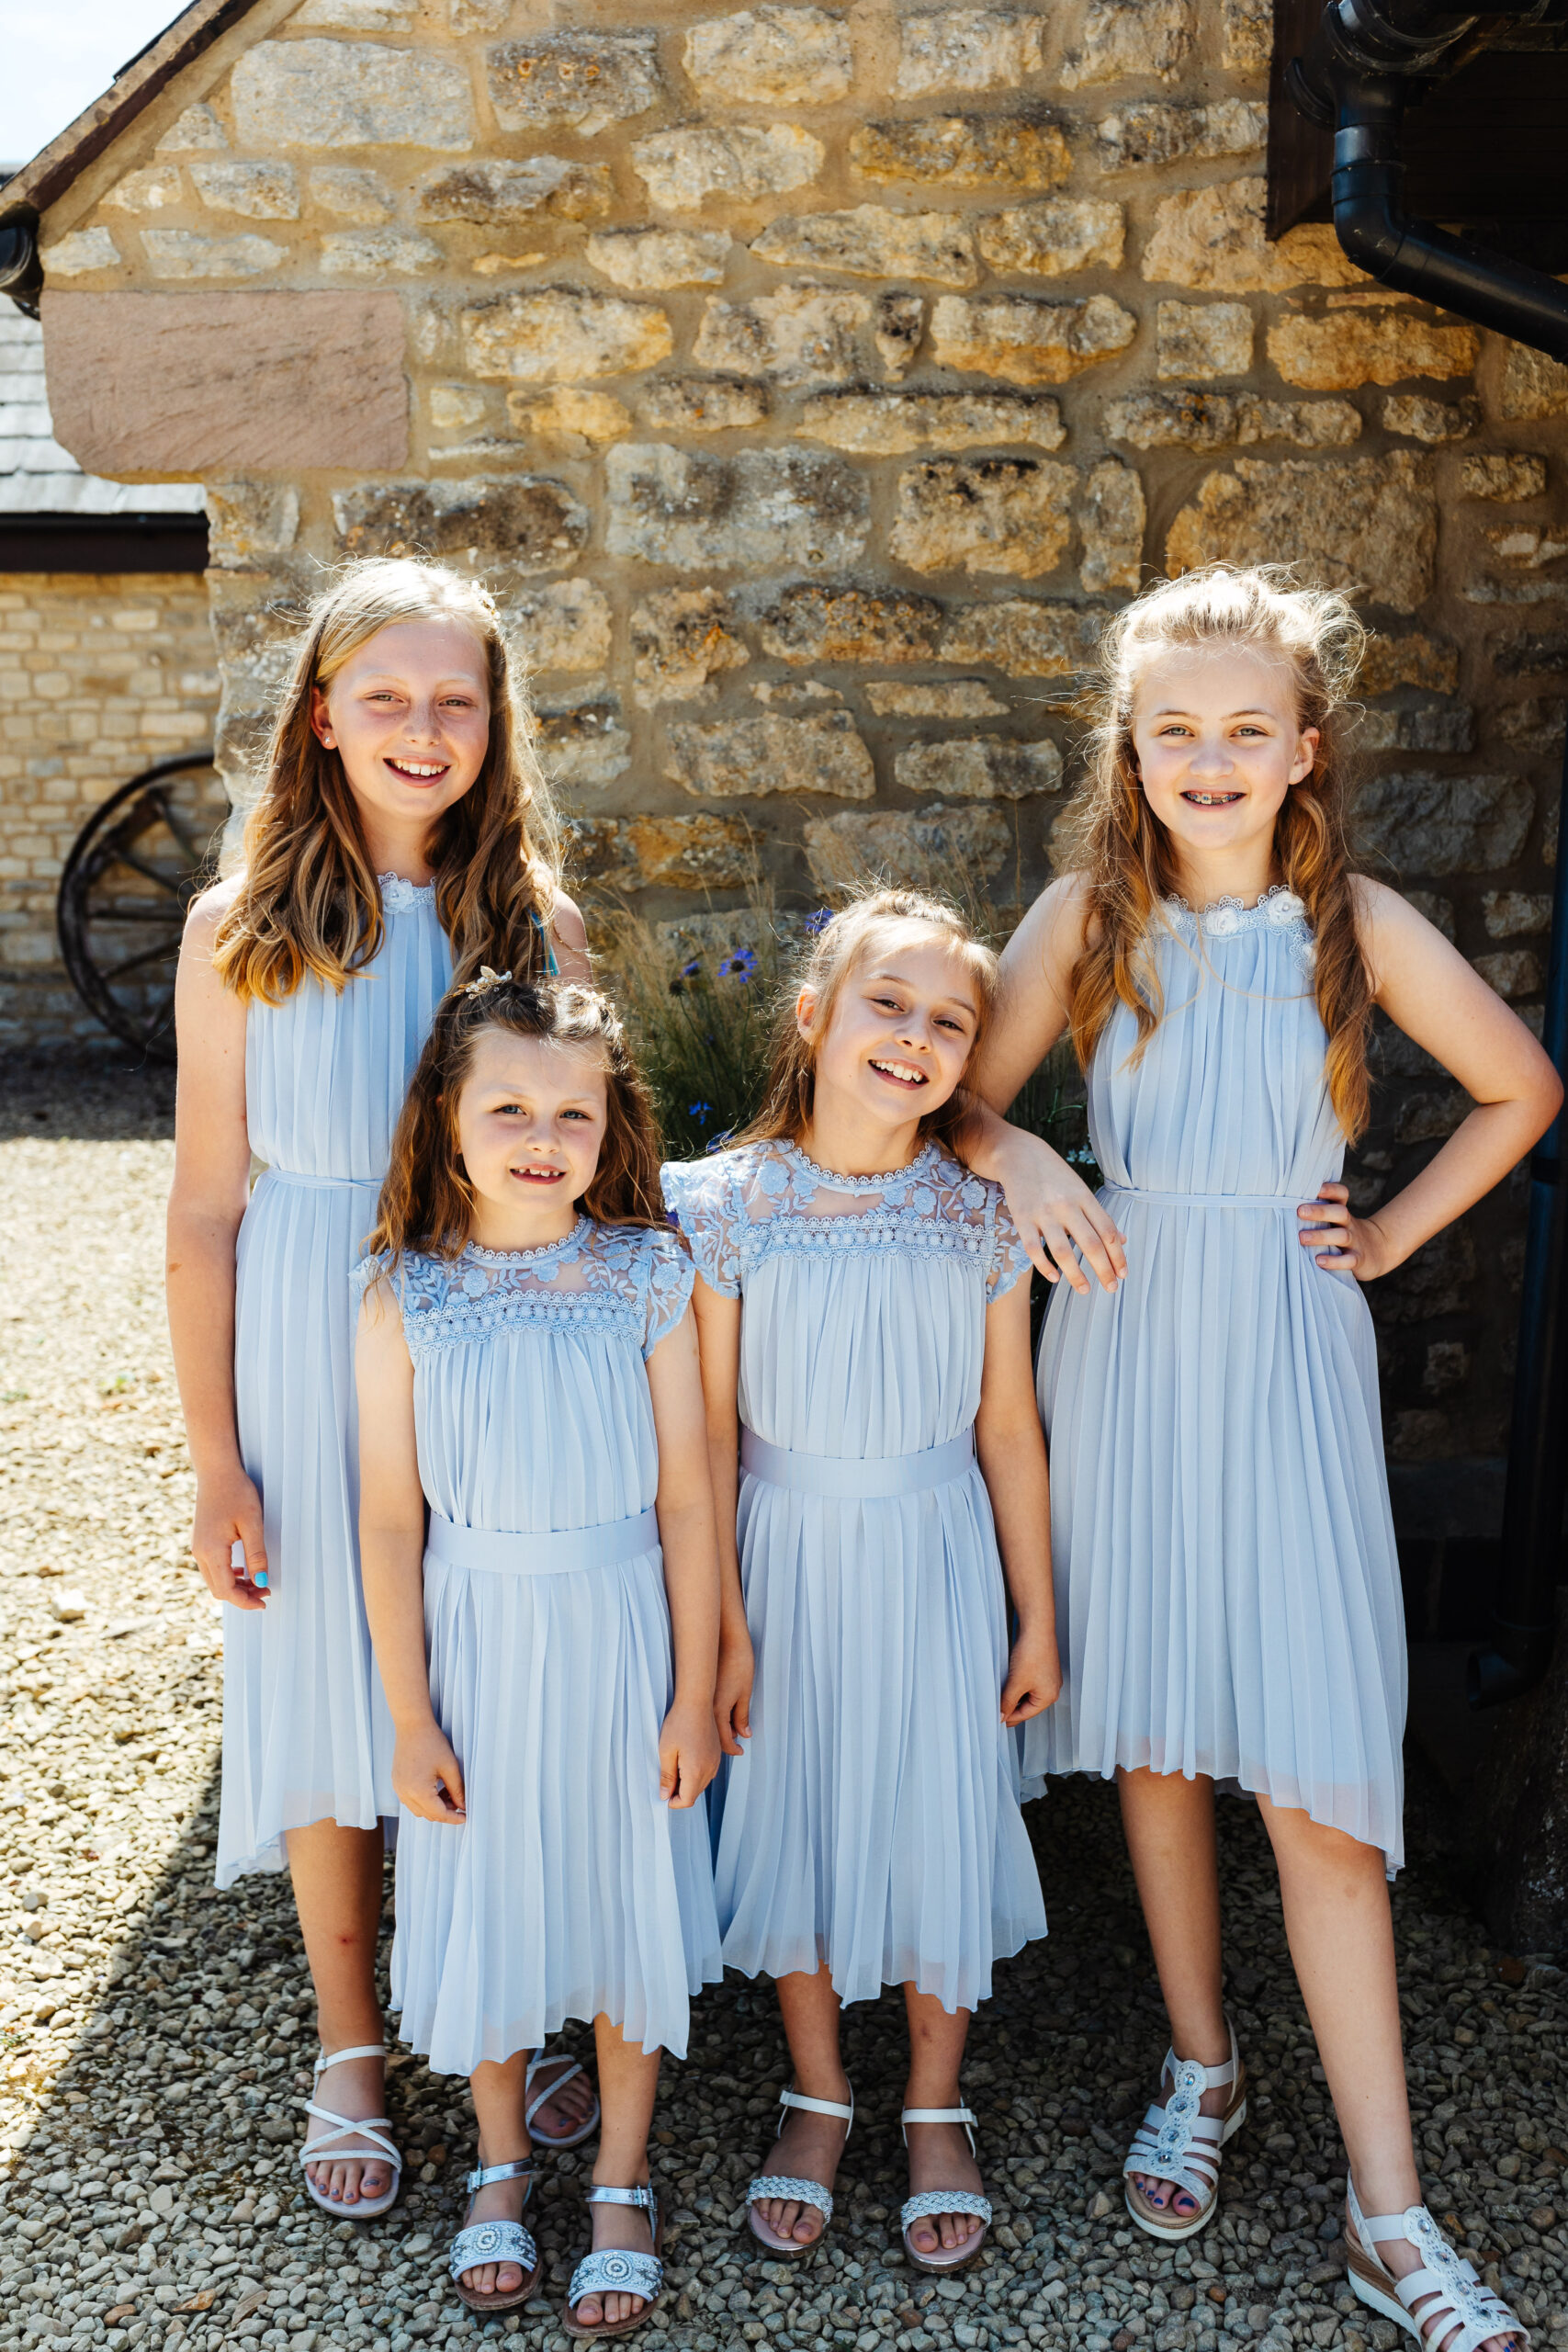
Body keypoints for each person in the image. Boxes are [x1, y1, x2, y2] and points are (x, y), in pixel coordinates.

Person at [964, 565, 1558, 2350]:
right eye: (1173, 732)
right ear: (1128, 750)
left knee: (1313, 1770)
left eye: (1243, 730)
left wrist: (1381, 1241)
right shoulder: (1079, 915)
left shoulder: (1352, 920)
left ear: (1301, 749)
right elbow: (956, 1103)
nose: (1207, 758)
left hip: (1286, 1349)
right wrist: (1027, 1163)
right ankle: (1199, 2065)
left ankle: (1389, 2210)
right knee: (1153, 1732)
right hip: (1126, 1339)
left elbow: (1520, 1088)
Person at [165, 560, 596, 2219]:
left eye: (456, 701)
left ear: (495, 729)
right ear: (325, 719)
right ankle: (352, 2041)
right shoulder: (242, 936)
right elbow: (206, 1211)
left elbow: (575, 1158)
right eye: (388, 698)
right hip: (298, 1322)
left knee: (487, 1663)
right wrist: (218, 1461)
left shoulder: (531, 925)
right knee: (323, 1683)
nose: (423, 729)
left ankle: (509, 1990)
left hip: (482, 1334)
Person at [663, 889, 1059, 2276]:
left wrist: (1039, 1611)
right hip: (780, 1549)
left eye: (950, 1022)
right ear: (812, 1016)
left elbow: (1010, 1425)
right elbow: (704, 1443)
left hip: (938, 1549)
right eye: (888, 1004)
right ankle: (818, 2090)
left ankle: (936, 2098)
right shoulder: (720, 1207)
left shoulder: (981, 1212)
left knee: (937, 1804)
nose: (917, 1038)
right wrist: (715, 1633)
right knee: (800, 1807)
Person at [356, 975, 722, 2336]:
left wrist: (693, 1688)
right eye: (507, 1105)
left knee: (629, 1897)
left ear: (610, 1123)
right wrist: (409, 1716)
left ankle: (622, 2177)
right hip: (479, 1645)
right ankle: (502, 2166)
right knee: (494, 1898)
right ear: (448, 1120)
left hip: (625, 1631)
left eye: (574, 1110)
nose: (541, 1134)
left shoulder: (648, 1272)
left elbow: (689, 1496)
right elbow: (389, 1520)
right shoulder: (403, 1293)